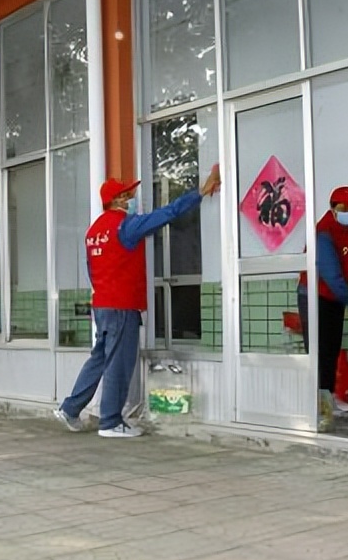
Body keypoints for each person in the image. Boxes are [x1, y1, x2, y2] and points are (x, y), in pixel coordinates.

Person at [54, 165, 222, 438]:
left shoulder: (93, 231)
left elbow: (92, 270)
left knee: (99, 359)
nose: (132, 199)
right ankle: (110, 422)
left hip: (103, 305)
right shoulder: (126, 226)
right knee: (119, 362)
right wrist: (199, 193)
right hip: (121, 307)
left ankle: (70, 409)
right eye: (128, 195)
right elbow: (166, 214)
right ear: (118, 200)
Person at [297, 186, 348, 432]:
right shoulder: (322, 233)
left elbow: (347, 248)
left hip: (333, 296)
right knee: (320, 353)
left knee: (331, 351)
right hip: (316, 296)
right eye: (345, 209)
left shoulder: (344, 226)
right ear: (333, 207)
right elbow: (331, 274)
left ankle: (326, 403)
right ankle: (319, 408)